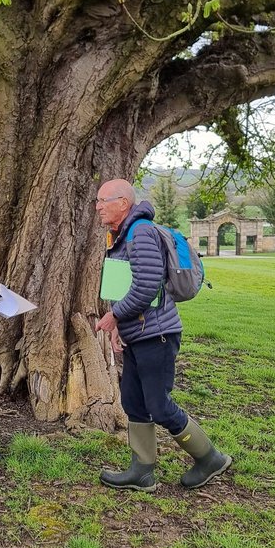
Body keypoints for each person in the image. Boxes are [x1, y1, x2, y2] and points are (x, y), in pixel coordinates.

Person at [94, 179, 232, 492]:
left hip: (156, 334)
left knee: (158, 404)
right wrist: (119, 326)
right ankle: (142, 470)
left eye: (103, 200)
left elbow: (146, 286)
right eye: (97, 201)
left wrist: (113, 316)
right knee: (134, 402)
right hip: (138, 332)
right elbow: (123, 287)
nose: (98, 207)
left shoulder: (139, 232)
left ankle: (210, 458)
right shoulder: (120, 235)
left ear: (123, 203)